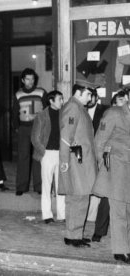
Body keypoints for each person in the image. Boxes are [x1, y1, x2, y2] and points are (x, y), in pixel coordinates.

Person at [91, 100, 130, 264]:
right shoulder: (114, 113)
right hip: (116, 167)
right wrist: (103, 165)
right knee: (118, 210)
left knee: (127, 210)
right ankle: (121, 251)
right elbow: (99, 140)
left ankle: (125, 246)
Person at [59, 82, 97, 248]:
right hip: (77, 161)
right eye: (88, 94)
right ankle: (73, 236)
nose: (90, 98)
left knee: (80, 198)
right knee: (78, 198)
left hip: (82, 160)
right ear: (80, 93)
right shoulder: (73, 108)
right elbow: (66, 137)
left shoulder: (78, 107)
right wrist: (64, 161)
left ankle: (74, 234)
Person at [31, 90, 65, 224]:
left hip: (61, 154)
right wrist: (43, 151)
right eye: (60, 99)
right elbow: (34, 137)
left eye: (62, 99)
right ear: (51, 101)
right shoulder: (41, 116)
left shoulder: (64, 114)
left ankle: (62, 214)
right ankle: (47, 215)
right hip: (47, 153)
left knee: (61, 186)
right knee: (46, 186)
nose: (62, 101)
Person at [13, 68, 46, 196]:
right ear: (23, 80)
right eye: (27, 79)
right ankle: (21, 187)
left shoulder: (41, 92)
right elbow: (14, 111)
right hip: (23, 129)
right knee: (23, 157)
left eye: (32, 79)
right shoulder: (18, 94)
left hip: (38, 128)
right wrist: (16, 127)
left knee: (38, 157)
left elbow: (47, 110)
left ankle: (39, 187)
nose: (30, 81)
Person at [86, 90, 109, 242]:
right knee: (105, 196)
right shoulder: (110, 116)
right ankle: (99, 230)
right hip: (107, 161)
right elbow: (99, 140)